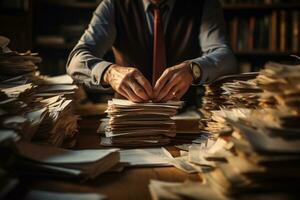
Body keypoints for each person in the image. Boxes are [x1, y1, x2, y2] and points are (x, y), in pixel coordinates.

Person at [67, 0, 237, 105]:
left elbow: (226, 57)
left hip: (183, 117)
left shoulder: (203, 4)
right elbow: (76, 60)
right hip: (127, 119)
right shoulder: (114, 5)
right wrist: (109, 73)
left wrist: (194, 69)